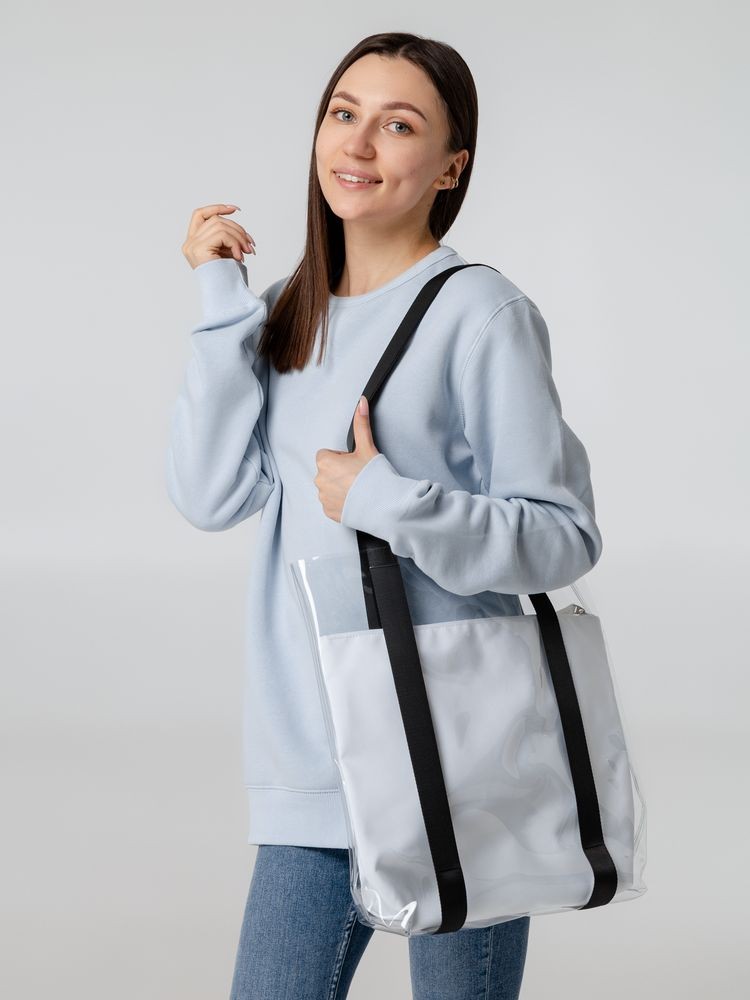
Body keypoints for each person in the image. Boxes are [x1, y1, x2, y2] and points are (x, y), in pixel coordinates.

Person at [166, 30, 603, 1000]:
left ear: (451, 166)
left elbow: (563, 535)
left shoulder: (481, 314)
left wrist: (382, 500)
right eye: (343, 113)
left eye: (398, 125)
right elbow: (209, 493)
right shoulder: (286, 314)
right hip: (312, 768)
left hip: (459, 766)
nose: (358, 144)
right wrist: (221, 301)